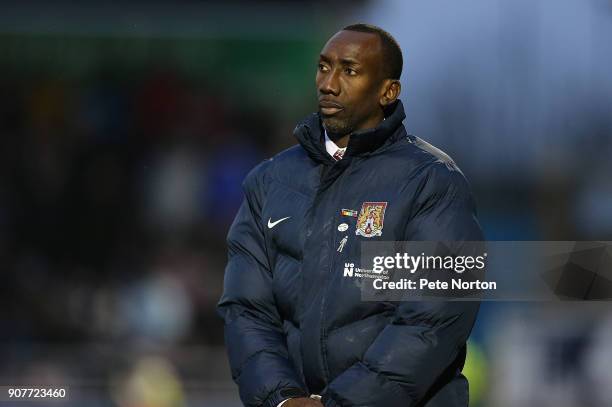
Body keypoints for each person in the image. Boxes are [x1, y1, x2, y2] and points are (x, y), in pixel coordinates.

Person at [217, 23, 483, 407]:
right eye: (323, 67)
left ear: (388, 91)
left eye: (349, 70)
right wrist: (282, 399)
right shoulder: (267, 182)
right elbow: (247, 309)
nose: (328, 83)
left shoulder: (432, 183)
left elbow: (431, 320)